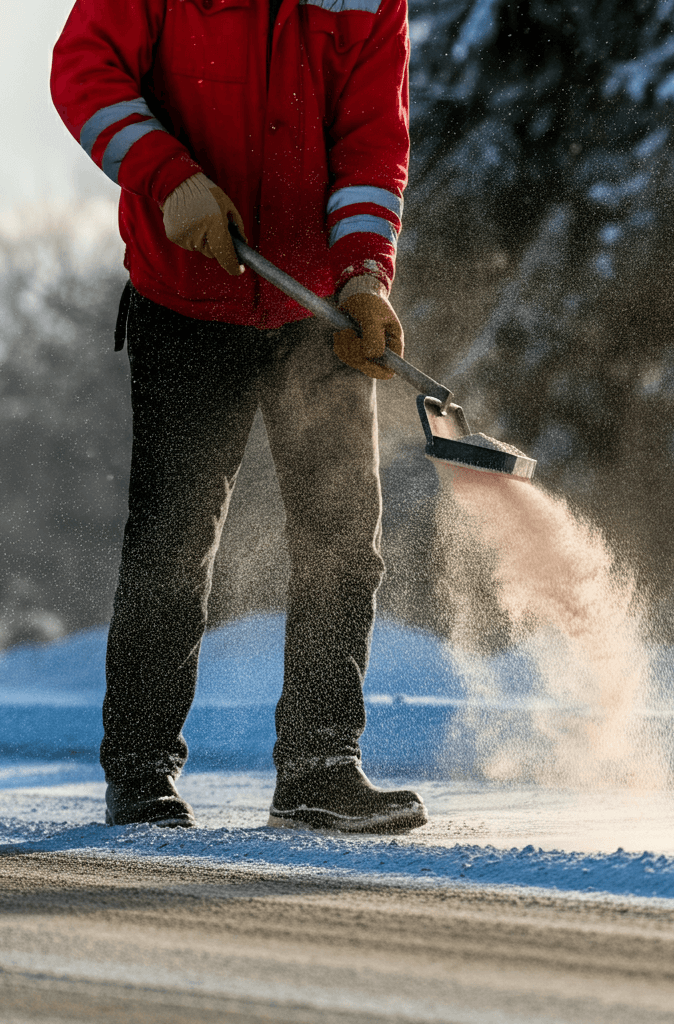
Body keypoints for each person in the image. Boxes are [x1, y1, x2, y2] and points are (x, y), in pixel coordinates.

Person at [50, 0, 427, 832]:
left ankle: (320, 766)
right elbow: (83, 72)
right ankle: (142, 771)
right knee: (174, 540)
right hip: (184, 298)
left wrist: (365, 274)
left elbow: (372, 139)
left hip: (316, 309)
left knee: (341, 537)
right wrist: (168, 176)